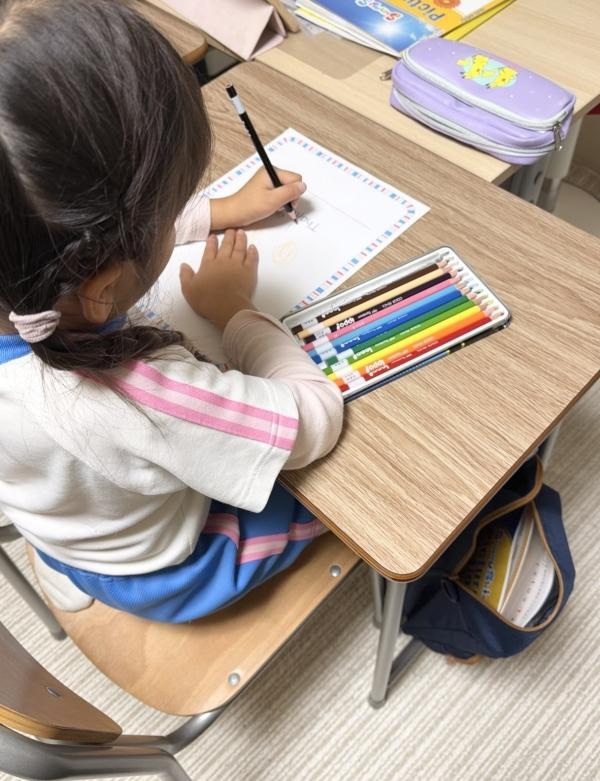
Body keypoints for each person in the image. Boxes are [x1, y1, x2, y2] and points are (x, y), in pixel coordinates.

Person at [0, 0, 343, 622]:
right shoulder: (134, 396)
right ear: (101, 286)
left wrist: (220, 212)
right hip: (168, 568)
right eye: (169, 211)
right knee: (336, 500)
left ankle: (65, 557)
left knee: (66, 481)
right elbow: (312, 421)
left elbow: (73, 235)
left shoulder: (23, 259)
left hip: (55, 513)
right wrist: (236, 311)